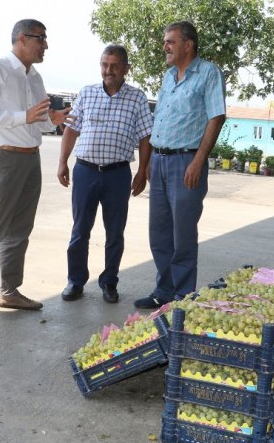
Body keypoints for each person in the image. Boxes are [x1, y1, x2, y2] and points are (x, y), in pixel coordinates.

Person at [0, 19, 72, 324]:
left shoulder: (35, 78)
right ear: (22, 39)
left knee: (20, 230)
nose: (45, 45)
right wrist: (25, 116)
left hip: (30, 159)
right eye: (41, 39)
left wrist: (54, 119)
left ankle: (9, 290)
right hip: (3, 159)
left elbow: (38, 119)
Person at [134, 21, 226, 309]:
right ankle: (163, 290)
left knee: (182, 233)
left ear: (188, 45)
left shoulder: (209, 73)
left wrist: (198, 160)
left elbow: (217, 117)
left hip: (187, 161)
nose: (165, 47)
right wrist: (148, 161)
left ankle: (182, 297)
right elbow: (159, 118)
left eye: (171, 42)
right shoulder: (168, 76)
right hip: (159, 161)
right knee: (159, 232)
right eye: (165, 42)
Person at [57, 45, 153, 304]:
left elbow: (146, 137)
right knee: (79, 231)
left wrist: (143, 171)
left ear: (126, 69)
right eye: (104, 65)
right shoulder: (87, 93)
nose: (108, 71)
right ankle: (75, 281)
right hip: (85, 171)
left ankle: (109, 282)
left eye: (114, 66)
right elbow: (71, 129)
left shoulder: (137, 98)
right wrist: (63, 162)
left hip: (118, 175)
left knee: (115, 233)